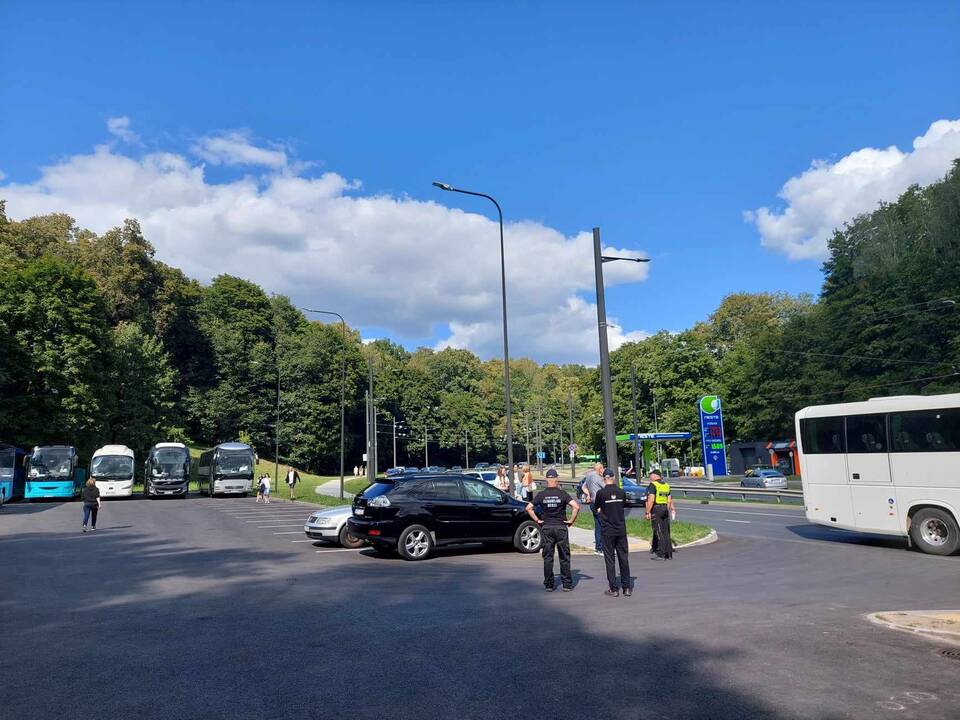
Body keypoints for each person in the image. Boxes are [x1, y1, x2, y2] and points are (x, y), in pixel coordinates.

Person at [526, 468, 579, 592]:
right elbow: (576, 507)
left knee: (548, 556)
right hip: (561, 527)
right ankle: (567, 584)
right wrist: (571, 520)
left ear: (546, 480)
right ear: (556, 479)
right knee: (564, 556)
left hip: (547, 528)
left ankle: (549, 584)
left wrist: (537, 520)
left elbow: (528, 508)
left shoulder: (541, 494)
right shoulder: (563, 494)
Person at [595, 467, 631, 596]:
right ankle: (626, 587)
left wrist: (601, 510)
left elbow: (596, 507)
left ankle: (614, 589)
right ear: (614, 478)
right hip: (621, 529)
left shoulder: (601, 493)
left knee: (610, 559)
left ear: (604, 479)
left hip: (607, 530)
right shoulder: (621, 492)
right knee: (624, 558)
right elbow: (624, 506)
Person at [645, 468, 675, 560]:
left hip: (656, 509)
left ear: (655, 476)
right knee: (666, 531)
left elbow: (651, 499)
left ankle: (661, 554)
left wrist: (647, 511)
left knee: (658, 531)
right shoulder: (666, 485)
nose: (650, 476)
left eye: (651, 475)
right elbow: (669, 499)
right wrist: (668, 509)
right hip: (665, 508)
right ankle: (669, 554)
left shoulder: (653, 485)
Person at [580, 462, 606, 556]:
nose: (603, 470)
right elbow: (606, 486)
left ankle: (598, 548)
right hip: (600, 503)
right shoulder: (598, 477)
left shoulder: (589, 475)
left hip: (592, 502)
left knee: (598, 525)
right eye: (602, 468)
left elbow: (583, 487)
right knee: (603, 524)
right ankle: (602, 548)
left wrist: (588, 494)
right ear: (599, 469)